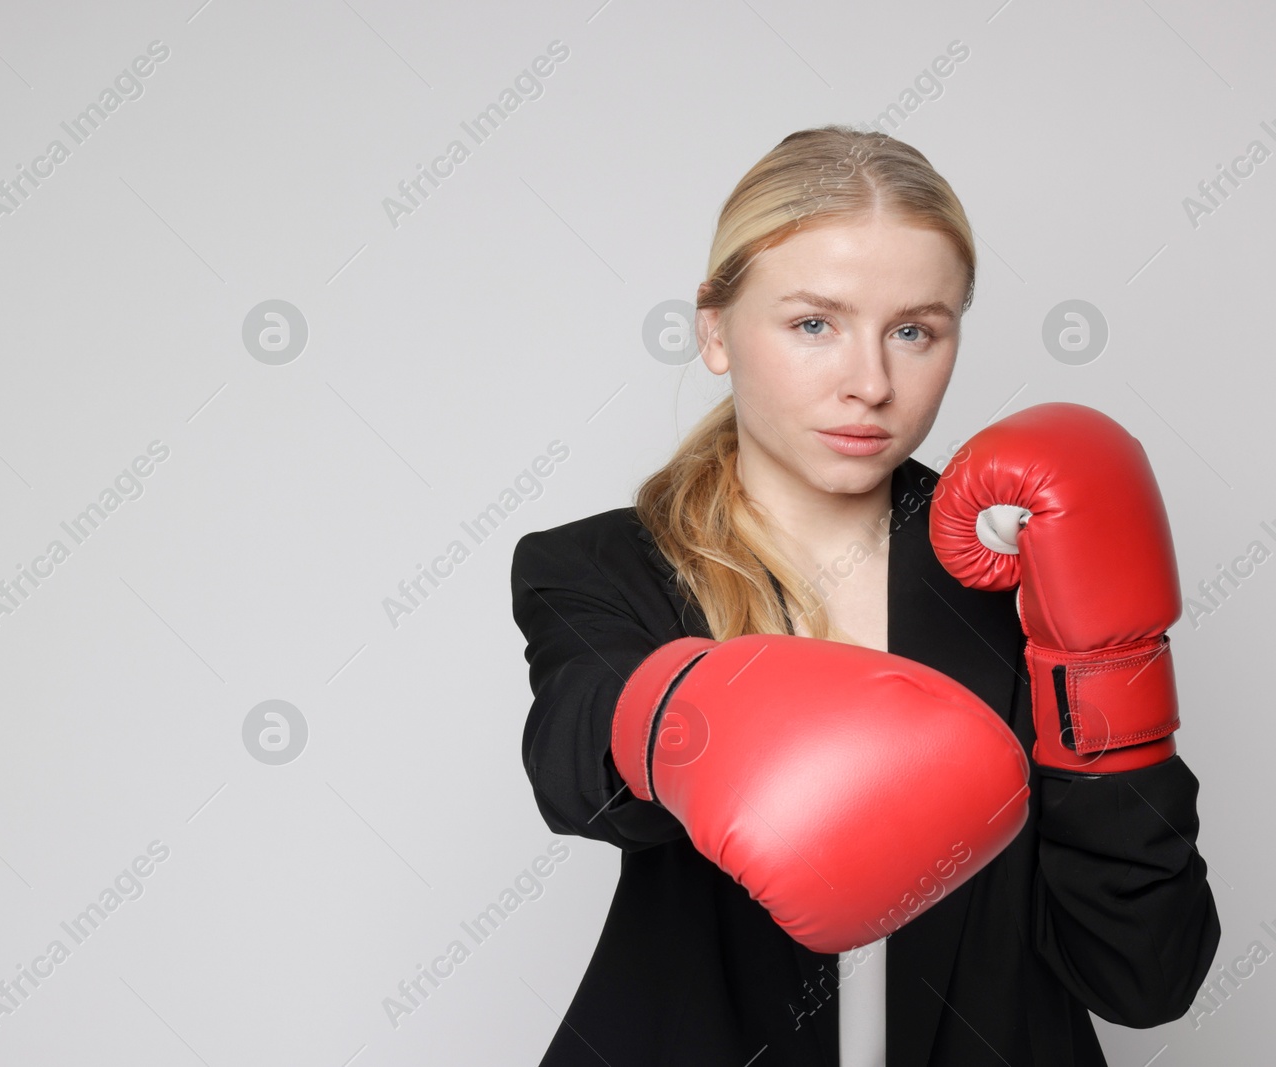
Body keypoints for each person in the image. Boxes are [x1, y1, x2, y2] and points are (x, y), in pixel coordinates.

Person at [509, 125, 1219, 1066]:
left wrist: (1109, 673)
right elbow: (573, 769)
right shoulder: (605, 566)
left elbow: (1146, 975)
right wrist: (686, 715)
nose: (872, 383)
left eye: (915, 330)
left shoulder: (1025, 569)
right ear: (714, 331)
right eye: (814, 324)